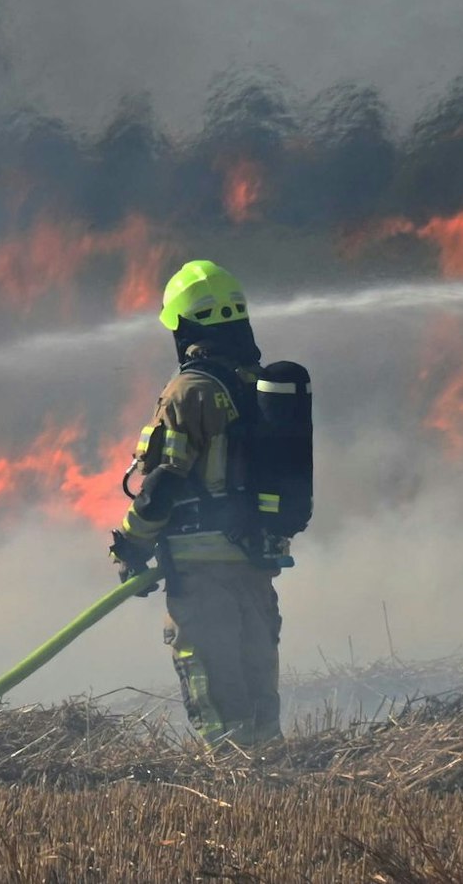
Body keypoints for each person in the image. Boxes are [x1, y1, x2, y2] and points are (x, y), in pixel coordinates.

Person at [109, 260, 288, 744]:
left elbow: (165, 481)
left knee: (220, 710)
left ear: (185, 326)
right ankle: (270, 796)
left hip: (202, 574)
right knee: (258, 707)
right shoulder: (258, 389)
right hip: (254, 567)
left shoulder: (191, 391)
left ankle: (235, 798)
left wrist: (129, 544)